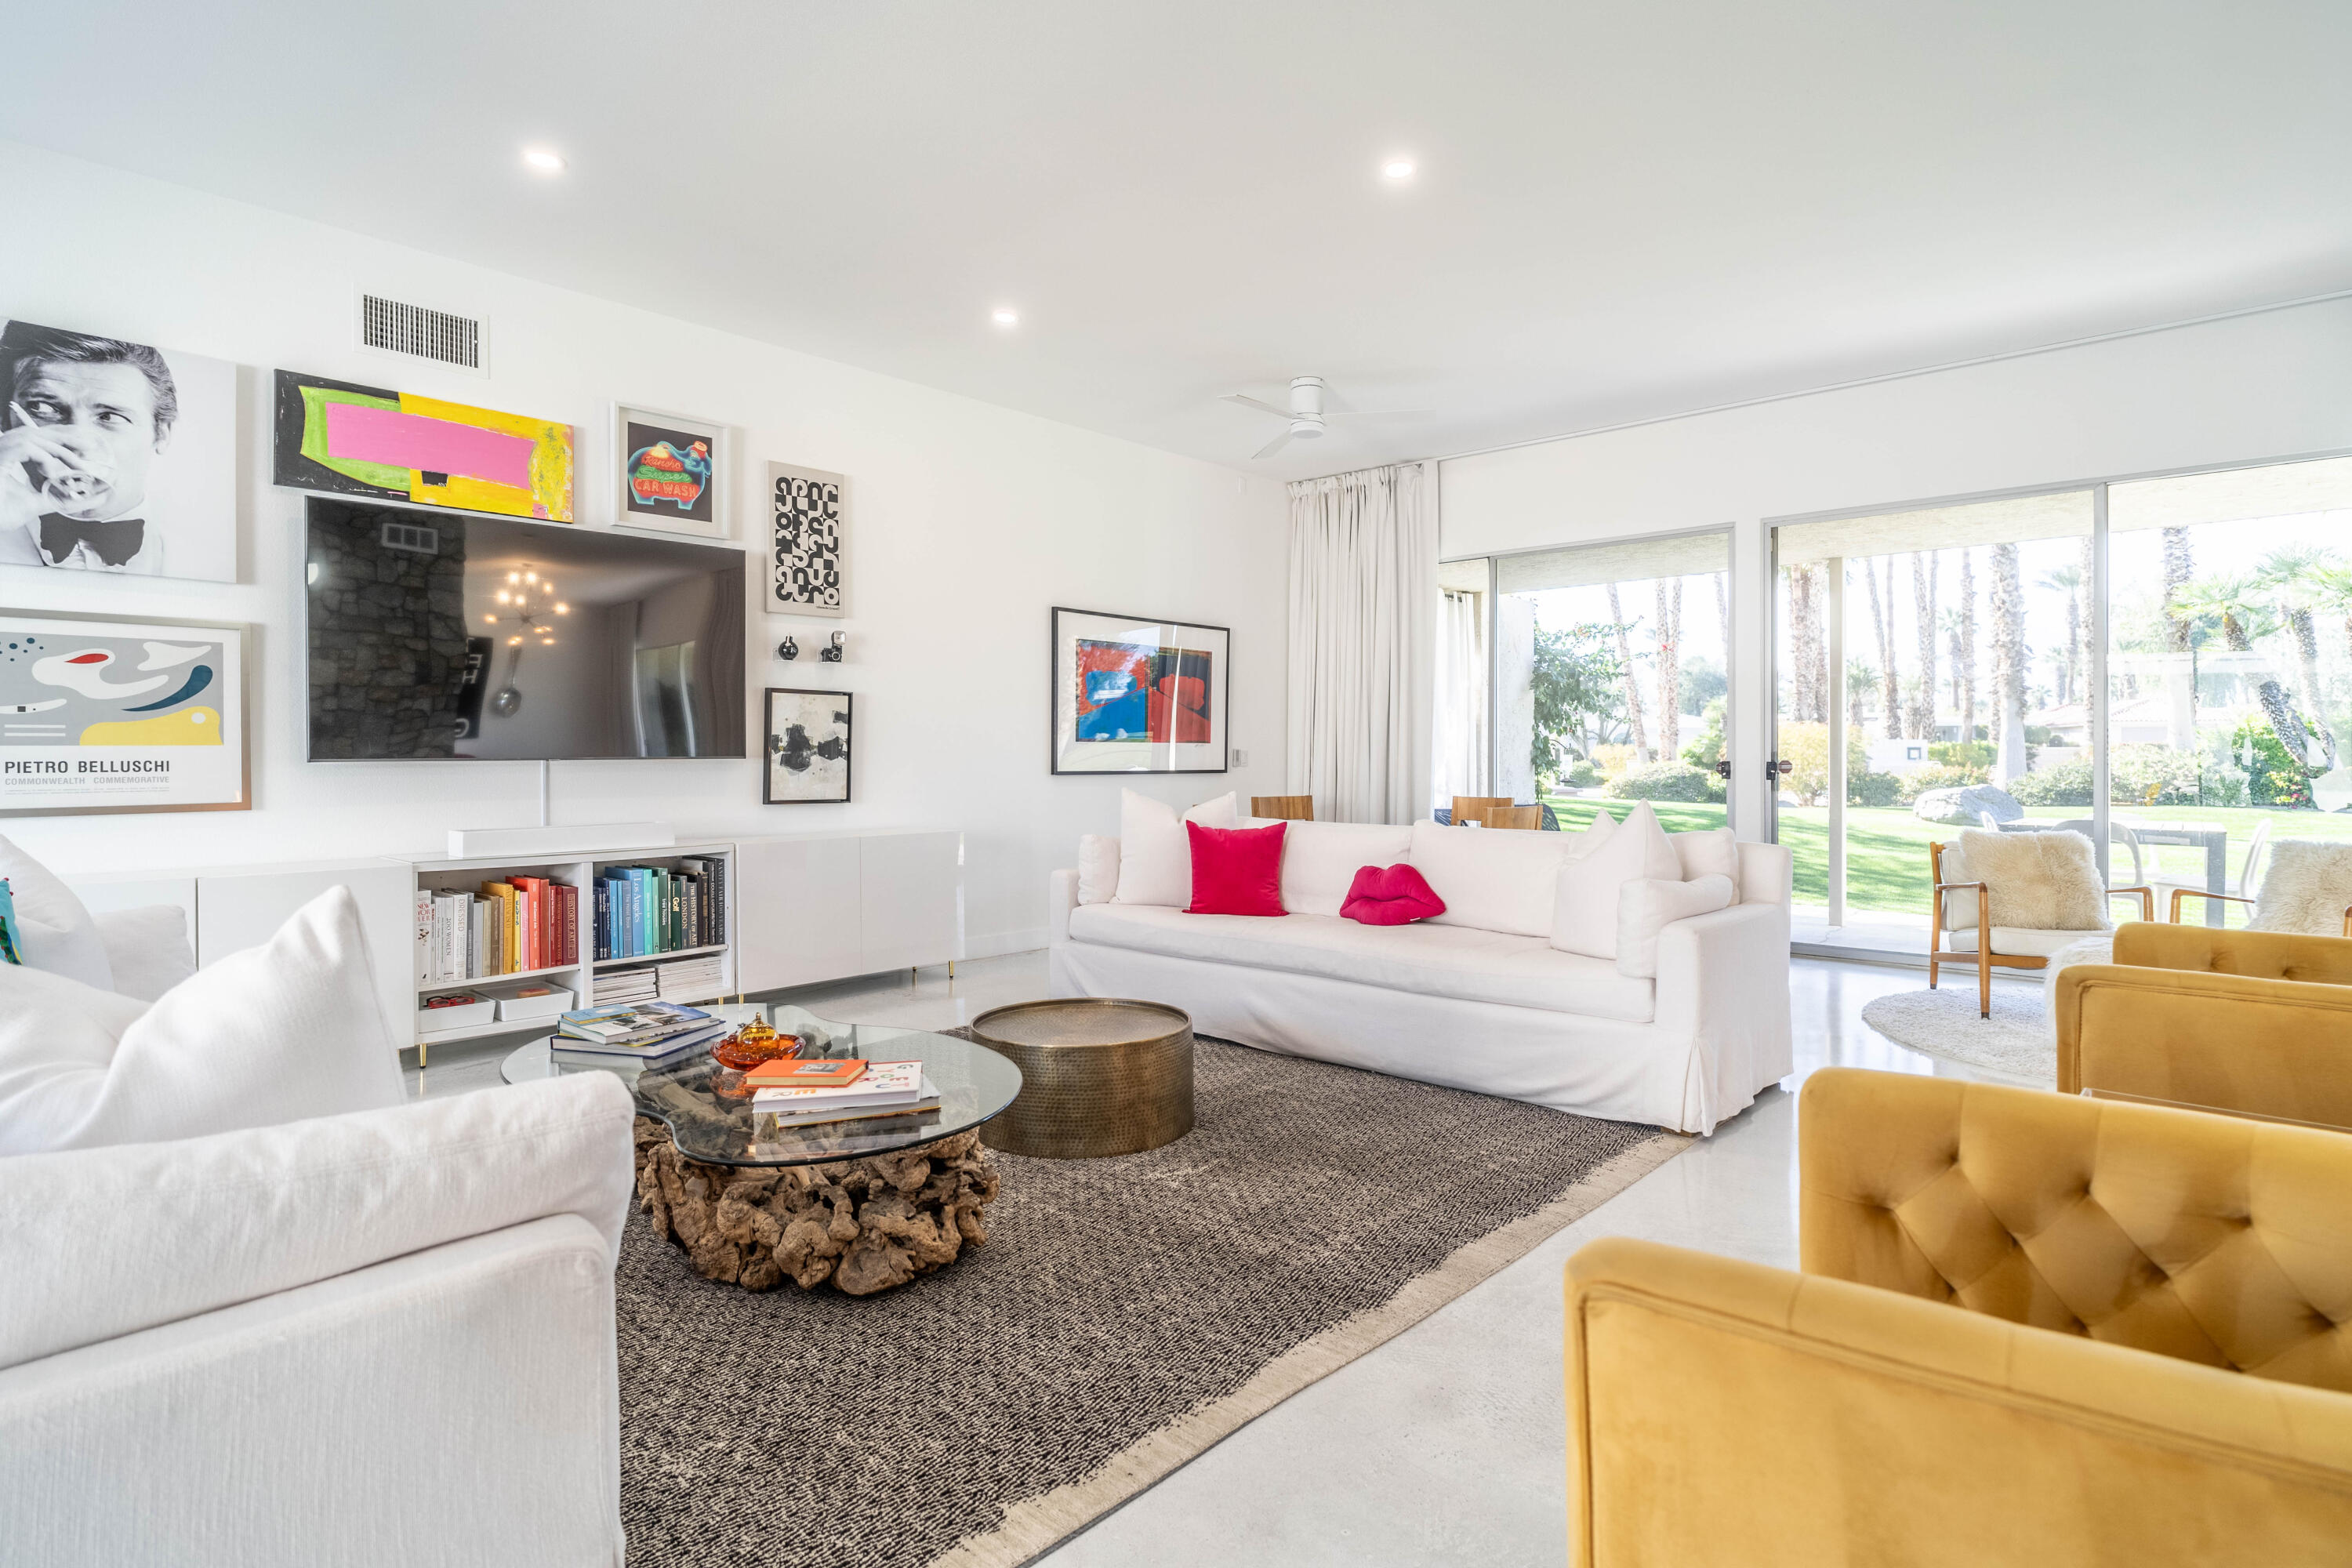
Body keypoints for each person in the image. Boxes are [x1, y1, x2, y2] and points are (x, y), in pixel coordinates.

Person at [0, 321, 179, 574]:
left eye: (109, 417)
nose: (77, 446)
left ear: (162, 433)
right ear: (5, 422)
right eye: (44, 409)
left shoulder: (208, 558)